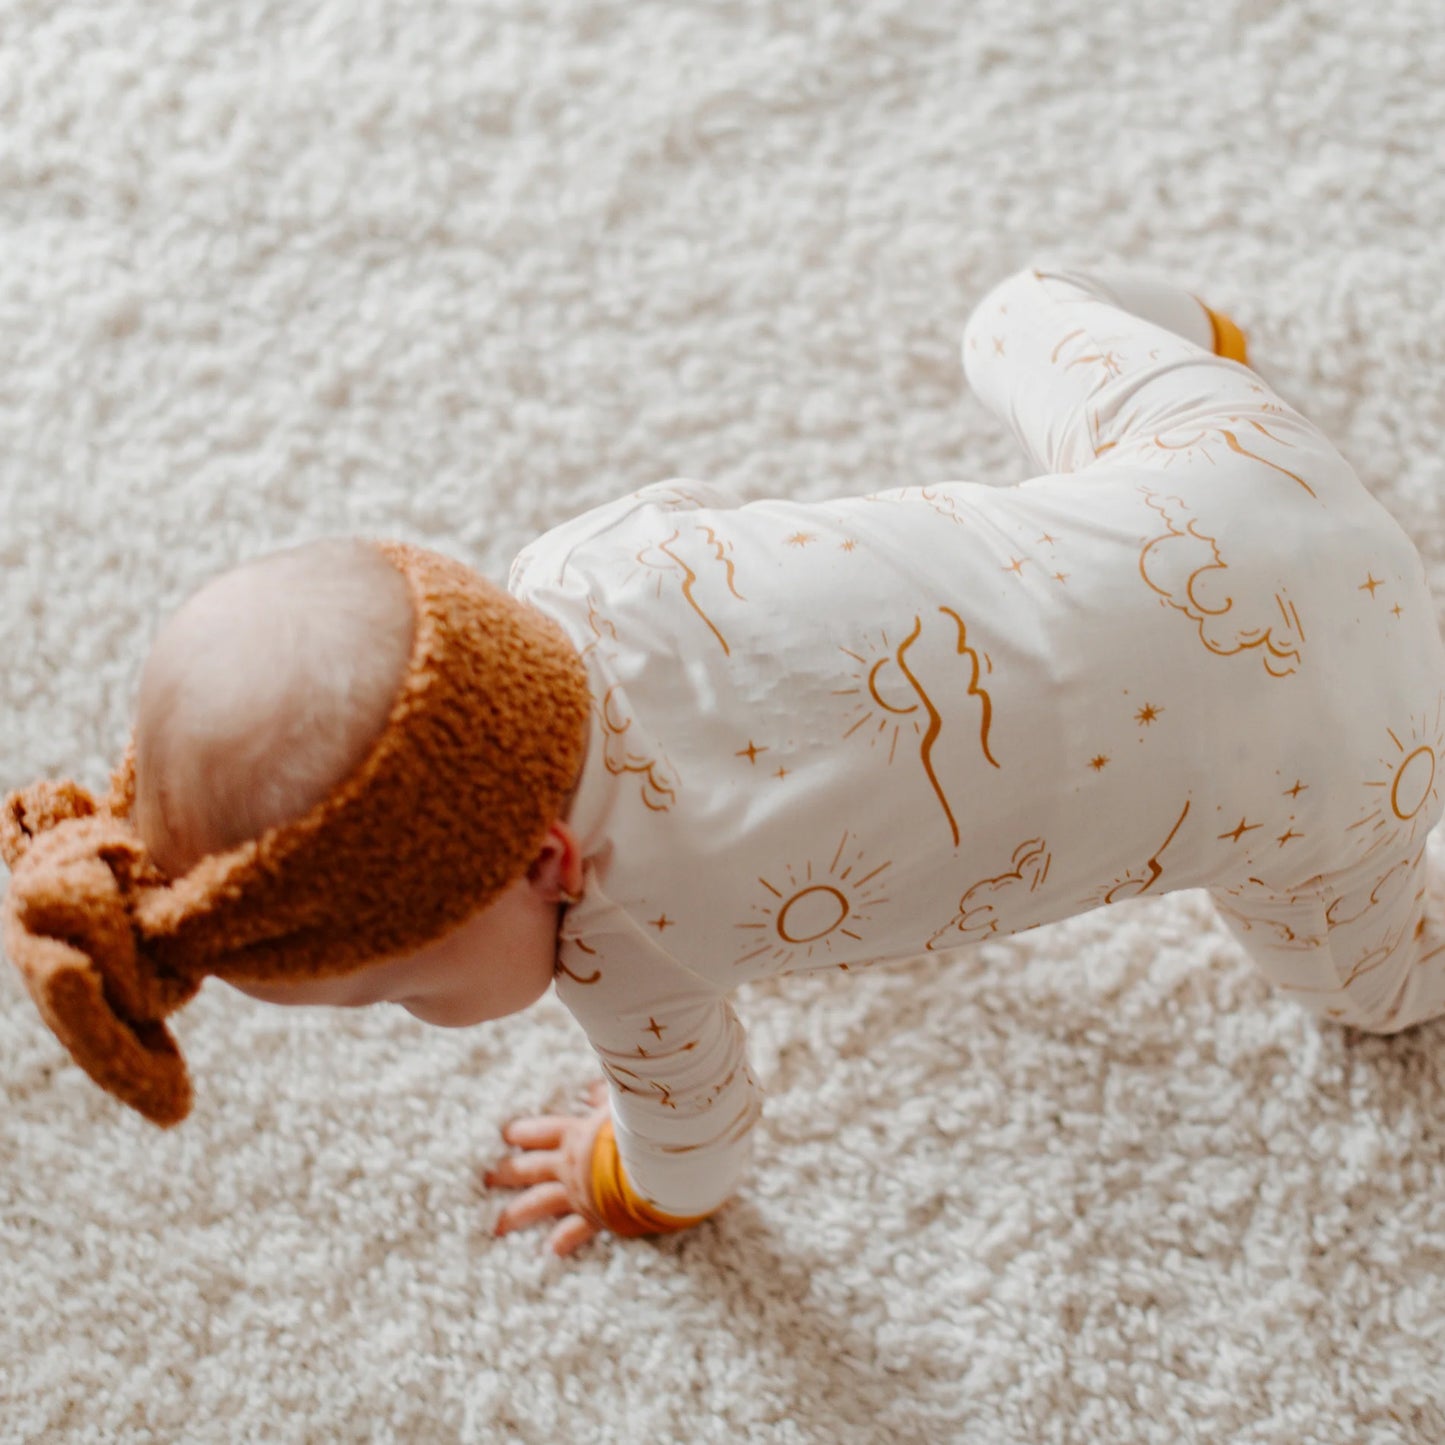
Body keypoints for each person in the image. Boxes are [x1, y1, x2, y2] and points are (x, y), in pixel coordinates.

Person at [7, 266, 1444, 1258]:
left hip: (1354, 750)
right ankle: (1210, 342)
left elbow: (699, 1145)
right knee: (1017, 313)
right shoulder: (583, 560)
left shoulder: (625, 946)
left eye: (404, 995)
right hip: (1226, 467)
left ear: (544, 865)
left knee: (1378, 988)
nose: (425, 1019)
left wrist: (623, 1181)